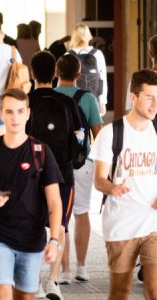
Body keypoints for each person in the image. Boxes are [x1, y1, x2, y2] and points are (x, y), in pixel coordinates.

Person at [90, 69, 157, 300]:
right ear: (134, 97)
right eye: (149, 97)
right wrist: (112, 188)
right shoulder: (111, 133)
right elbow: (99, 180)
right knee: (120, 292)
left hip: (156, 223)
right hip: (121, 223)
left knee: (155, 292)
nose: (156, 104)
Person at [0, 89, 63, 300]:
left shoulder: (41, 152)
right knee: (1, 295)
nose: (15, 117)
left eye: (19, 111)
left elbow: (54, 202)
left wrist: (54, 240)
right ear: (1, 114)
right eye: (9, 112)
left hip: (32, 238)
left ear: (28, 113)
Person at [27, 51, 83, 299]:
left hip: (31, 175)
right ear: (55, 73)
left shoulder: (26, 102)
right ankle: (53, 282)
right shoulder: (68, 103)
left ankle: (35, 281)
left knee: (32, 227)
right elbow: (81, 136)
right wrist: (77, 160)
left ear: (32, 73)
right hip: (62, 173)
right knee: (58, 227)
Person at [54, 53, 103, 283]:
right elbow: (98, 135)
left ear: (56, 73)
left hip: (54, 165)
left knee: (59, 216)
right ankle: (81, 268)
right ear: (79, 75)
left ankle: (63, 271)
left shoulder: (49, 96)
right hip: (82, 163)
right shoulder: (88, 98)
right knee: (81, 212)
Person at [69, 23, 108, 115]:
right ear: (89, 36)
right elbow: (103, 79)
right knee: (93, 127)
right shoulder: (97, 54)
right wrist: (103, 102)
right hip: (94, 99)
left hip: (73, 101)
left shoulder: (68, 55)